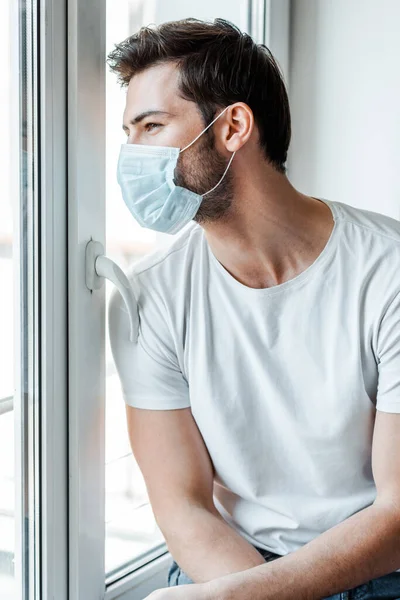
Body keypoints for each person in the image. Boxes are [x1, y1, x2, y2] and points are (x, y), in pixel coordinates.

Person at [107, 17, 400, 600]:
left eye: (152, 126)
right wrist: (250, 591)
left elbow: (398, 514)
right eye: (128, 132)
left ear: (233, 127)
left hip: (380, 571)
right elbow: (183, 504)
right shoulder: (149, 298)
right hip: (232, 567)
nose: (130, 156)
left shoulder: (387, 273)